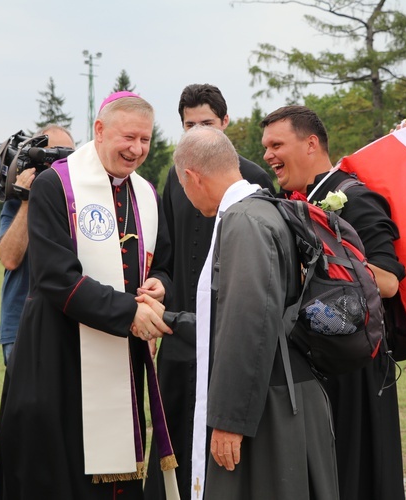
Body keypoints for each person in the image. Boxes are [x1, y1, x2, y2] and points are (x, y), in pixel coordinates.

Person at [0, 92, 175, 498]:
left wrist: (161, 284)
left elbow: (163, 263)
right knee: (60, 472)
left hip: (120, 353)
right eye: (128, 137)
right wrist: (129, 310)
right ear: (99, 130)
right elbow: (55, 277)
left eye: (145, 140)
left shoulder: (146, 195)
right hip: (57, 352)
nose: (137, 149)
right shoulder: (55, 184)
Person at [149, 125, 338, 499]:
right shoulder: (263, 208)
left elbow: (247, 323)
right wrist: (169, 320)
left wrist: (229, 421)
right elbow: (233, 314)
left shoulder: (243, 221)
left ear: (192, 177)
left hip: (267, 404)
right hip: (278, 390)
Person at [260, 105, 406, 500]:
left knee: (356, 476)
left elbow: (390, 281)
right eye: (265, 147)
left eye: (277, 144)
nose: (268, 155)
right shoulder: (295, 199)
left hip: (356, 367)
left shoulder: (355, 198)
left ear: (310, 144)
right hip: (317, 360)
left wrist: (324, 269)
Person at [145, 83, 274, 500]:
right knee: (173, 444)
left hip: (226, 339)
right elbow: (165, 256)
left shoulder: (253, 179)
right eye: (188, 124)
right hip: (179, 336)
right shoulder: (174, 175)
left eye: (206, 122)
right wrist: (158, 286)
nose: (197, 130)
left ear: (225, 123)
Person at [0, 124, 75, 365]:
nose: (58, 165)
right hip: (21, 324)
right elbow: (9, 258)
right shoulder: (17, 203)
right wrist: (29, 201)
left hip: (68, 325)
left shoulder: (81, 201)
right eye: (49, 156)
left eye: (66, 156)